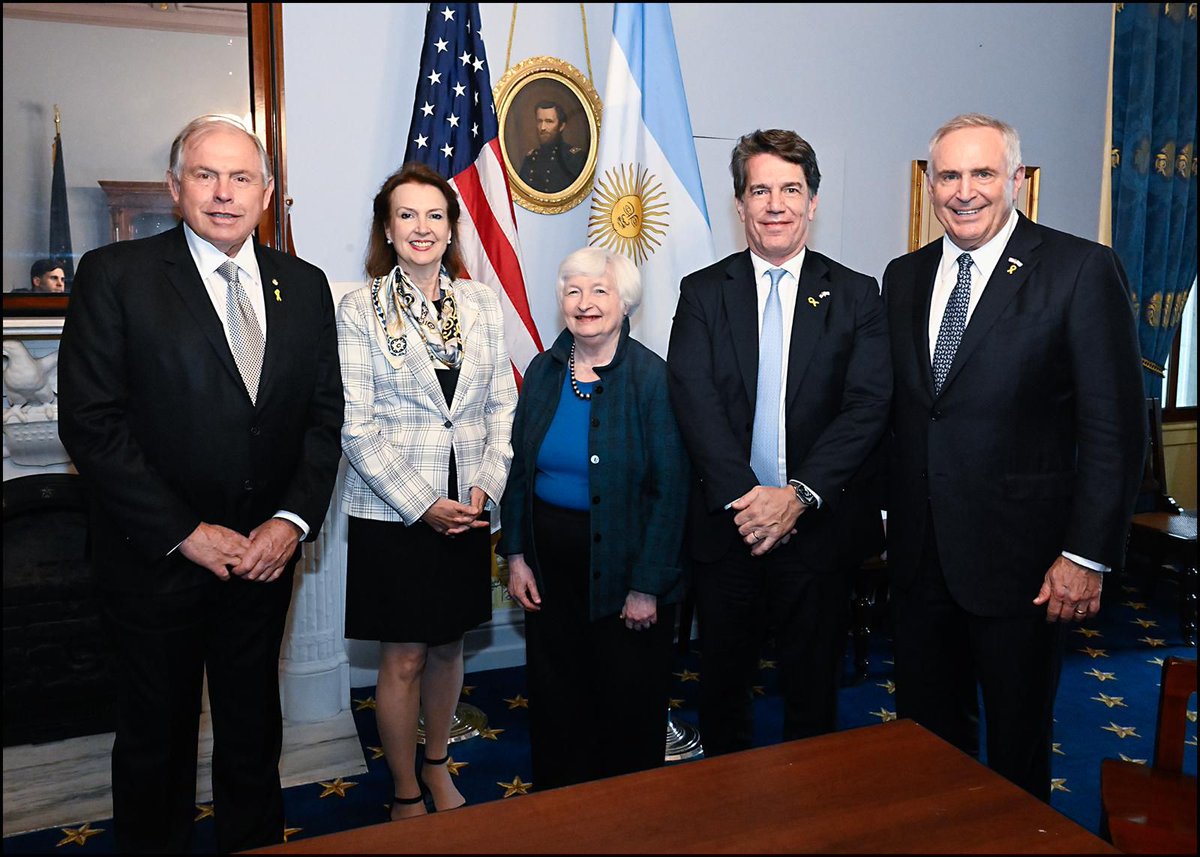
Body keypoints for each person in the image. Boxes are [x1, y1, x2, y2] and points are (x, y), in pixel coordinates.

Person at [56, 114, 344, 852]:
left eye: (241, 177)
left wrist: (290, 522)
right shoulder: (115, 276)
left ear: (267, 192)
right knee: (157, 743)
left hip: (262, 559)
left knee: (253, 733)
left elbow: (322, 419)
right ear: (174, 187)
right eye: (206, 175)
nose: (224, 193)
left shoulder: (304, 286)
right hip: (155, 561)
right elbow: (92, 425)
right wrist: (185, 531)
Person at [883, 113, 1146, 801]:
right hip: (919, 560)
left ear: (1017, 180)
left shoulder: (1080, 269)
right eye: (948, 175)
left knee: (1017, 744)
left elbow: (1116, 428)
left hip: (1026, 564)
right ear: (930, 183)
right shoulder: (903, 277)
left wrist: (1085, 555)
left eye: (982, 173)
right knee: (923, 742)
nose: (964, 191)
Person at [666, 129, 892, 756]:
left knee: (812, 690)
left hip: (816, 531)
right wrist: (751, 501)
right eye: (759, 189)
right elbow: (694, 400)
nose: (775, 204)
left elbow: (866, 406)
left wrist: (796, 496)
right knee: (723, 689)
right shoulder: (702, 292)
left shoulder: (857, 295)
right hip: (727, 529)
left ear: (813, 201)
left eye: (790, 189)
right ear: (739, 205)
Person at [337, 162, 517, 819]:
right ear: (387, 226)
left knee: (449, 646)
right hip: (396, 511)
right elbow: (356, 427)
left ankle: (438, 762)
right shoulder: (360, 308)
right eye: (406, 214)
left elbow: (502, 405)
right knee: (405, 656)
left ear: (451, 228)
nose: (421, 227)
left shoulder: (481, 303)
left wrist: (484, 485)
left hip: (466, 506)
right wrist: (424, 504)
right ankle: (405, 788)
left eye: (434, 215)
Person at [500, 247, 689, 789]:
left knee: (625, 706)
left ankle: (625, 827)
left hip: (628, 577)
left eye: (599, 291)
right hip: (549, 573)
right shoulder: (542, 371)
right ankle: (560, 818)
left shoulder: (652, 378)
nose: (585, 304)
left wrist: (647, 587)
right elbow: (519, 471)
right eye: (573, 291)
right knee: (558, 701)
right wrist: (516, 555)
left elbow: (670, 488)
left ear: (624, 302)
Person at [517, 101, 585, 194]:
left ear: (561, 126)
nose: (543, 127)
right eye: (539, 121)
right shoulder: (531, 158)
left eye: (549, 121)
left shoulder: (573, 157)